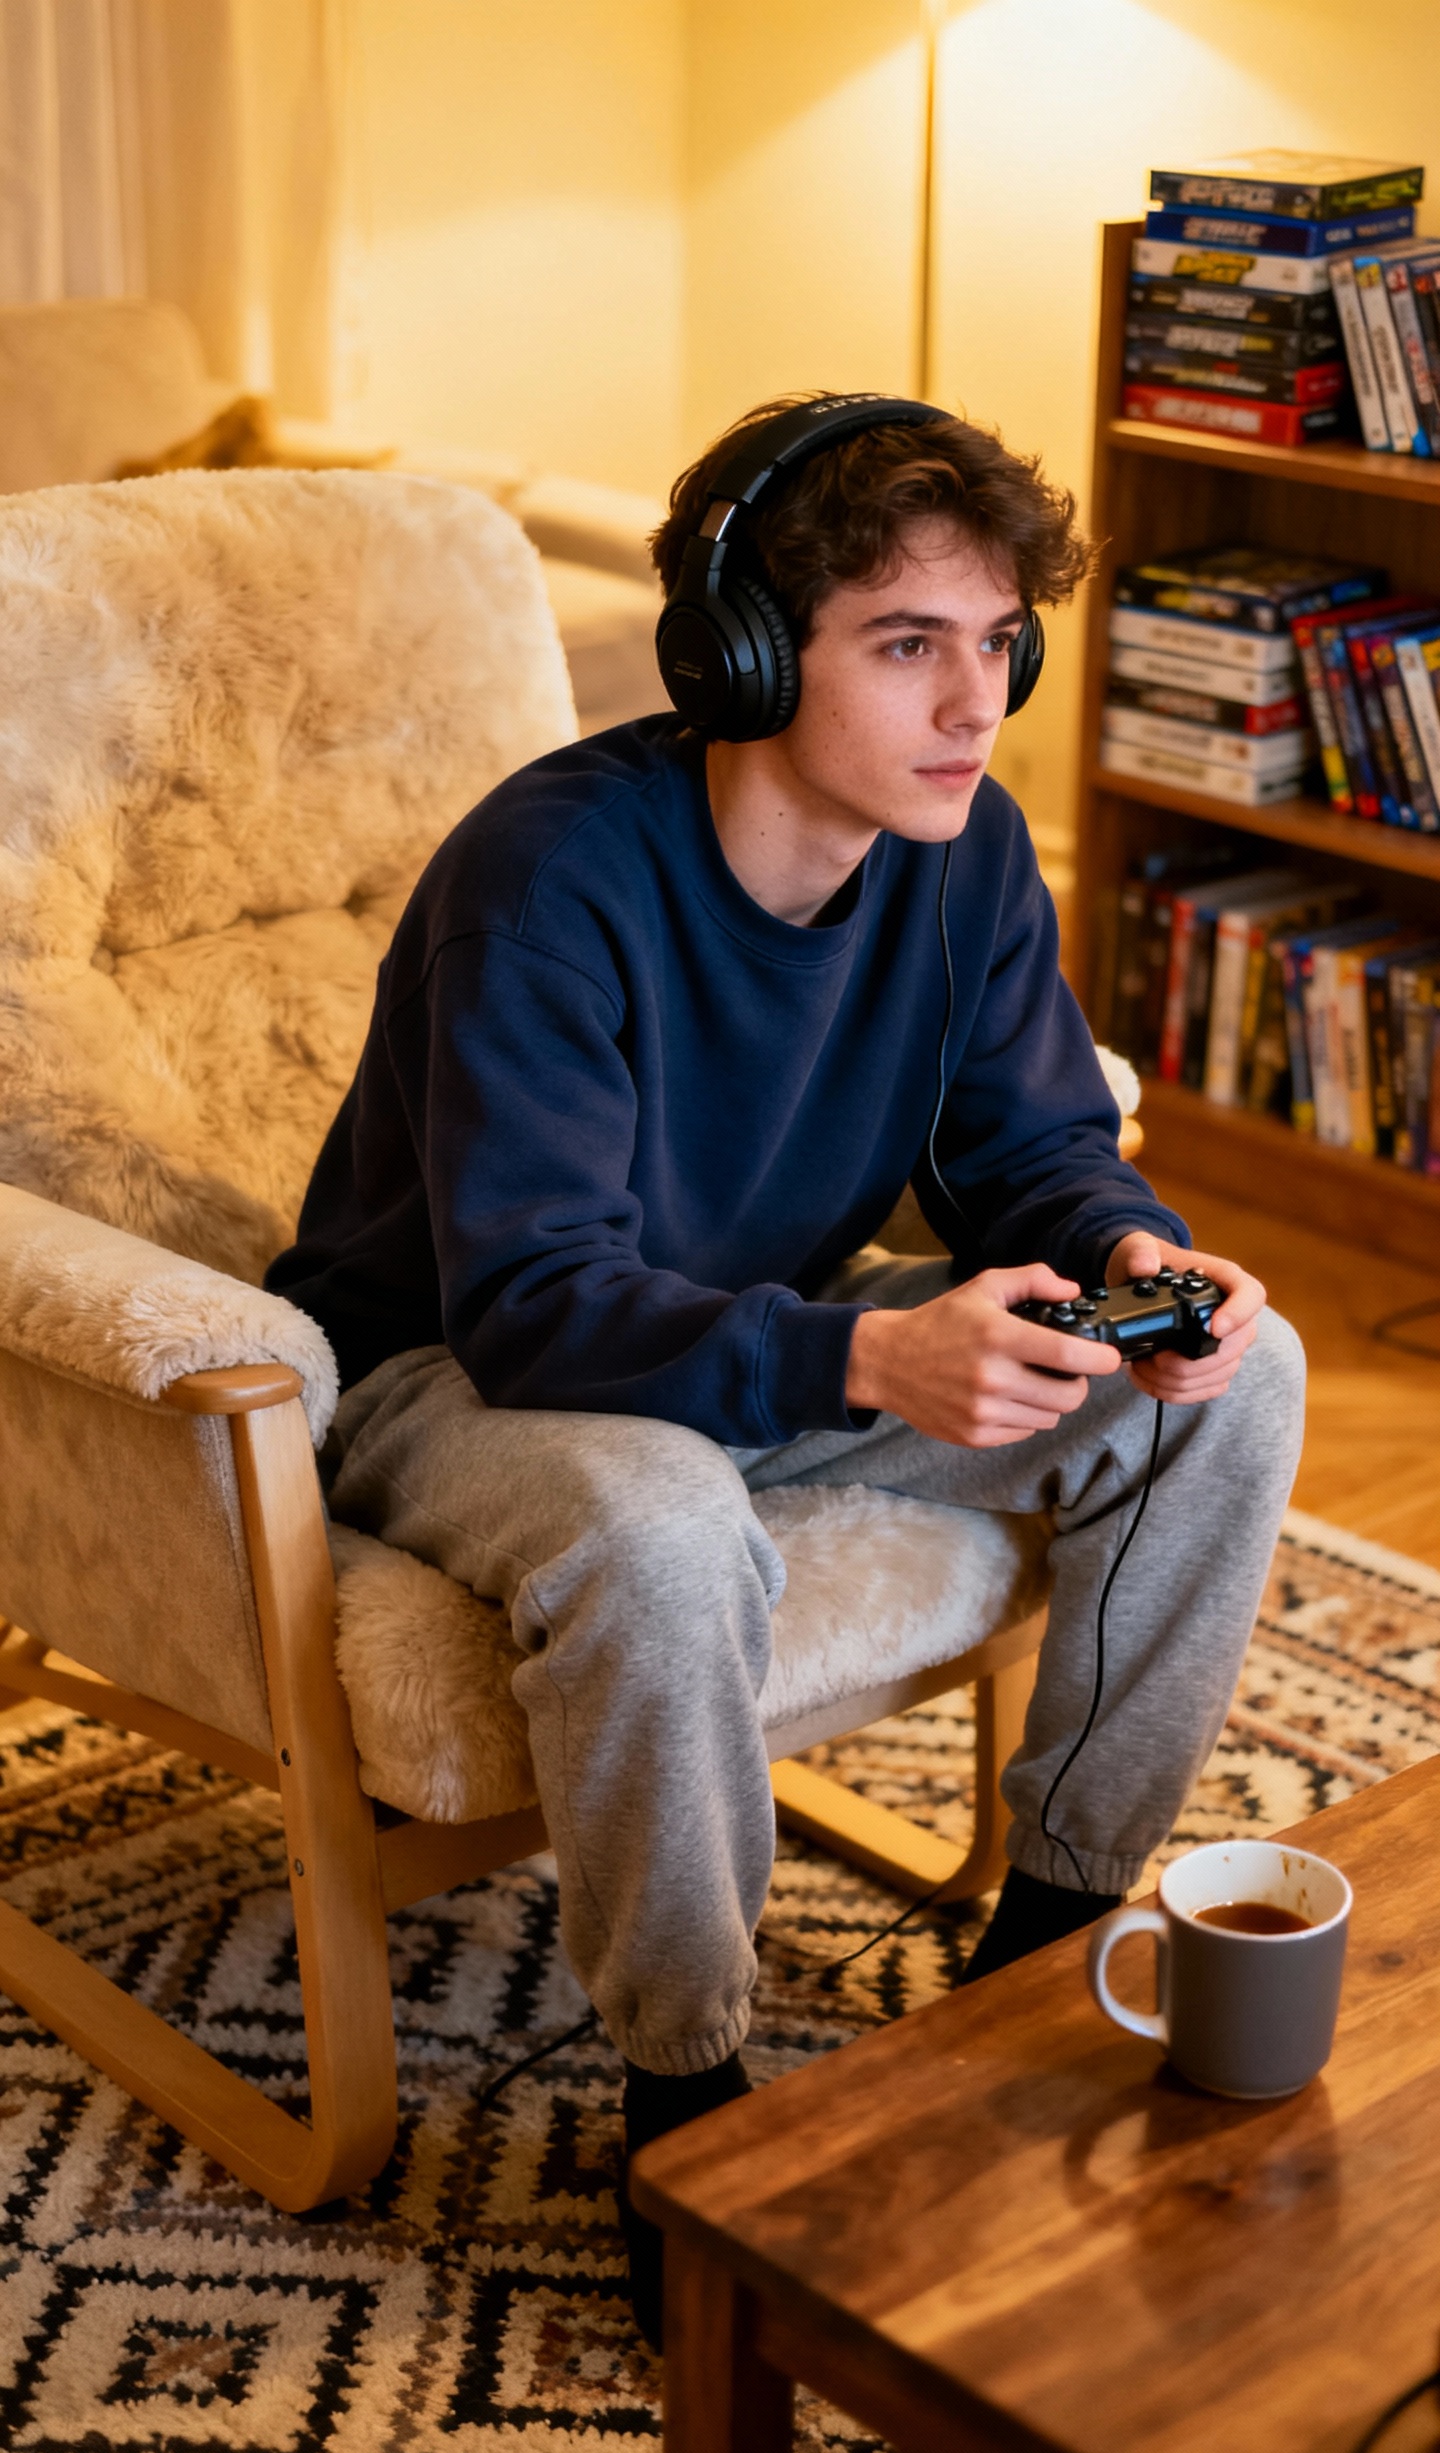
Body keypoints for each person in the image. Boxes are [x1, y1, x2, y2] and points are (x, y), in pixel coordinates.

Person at [267, 395, 1305, 2345]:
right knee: (661, 1523)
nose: (973, 701)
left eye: (998, 644)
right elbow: (535, 1301)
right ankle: (686, 2091)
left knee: (1239, 1374)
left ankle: (1056, 1928)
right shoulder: (550, 880)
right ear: (741, 649)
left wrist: (1125, 1249)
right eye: (908, 643)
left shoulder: (965, 846)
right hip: (450, 1376)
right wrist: (868, 1352)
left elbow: (1024, 1143)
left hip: (747, 1336)